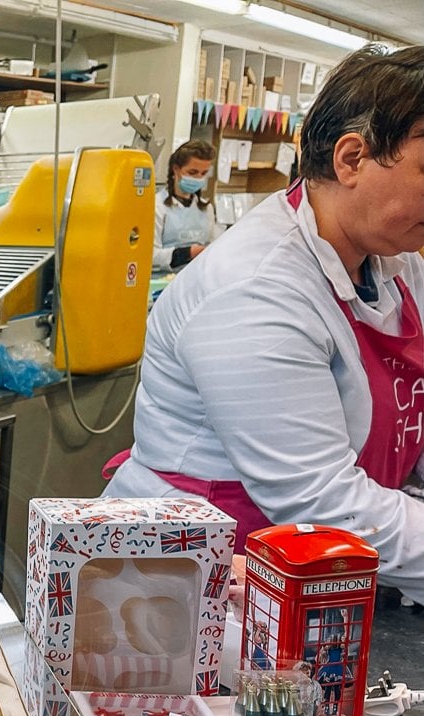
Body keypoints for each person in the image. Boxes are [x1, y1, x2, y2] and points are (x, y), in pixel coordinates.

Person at [104, 44, 424, 602]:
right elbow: (322, 501)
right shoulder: (257, 290)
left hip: (313, 573)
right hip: (197, 586)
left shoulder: (396, 264)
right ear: (351, 160)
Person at [152, 139, 219, 273]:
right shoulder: (156, 206)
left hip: (196, 278)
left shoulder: (206, 209)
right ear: (176, 169)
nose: (198, 178)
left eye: (203, 173)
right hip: (162, 282)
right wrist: (187, 253)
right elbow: (150, 256)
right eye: (192, 172)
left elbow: (211, 247)